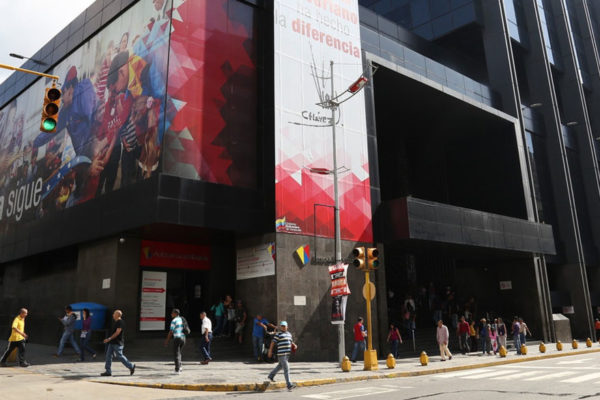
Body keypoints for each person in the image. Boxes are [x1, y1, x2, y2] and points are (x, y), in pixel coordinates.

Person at [101, 310, 135, 376]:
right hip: (112, 343)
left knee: (119, 356)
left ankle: (131, 366)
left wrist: (109, 338)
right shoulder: (116, 322)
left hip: (117, 343)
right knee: (108, 356)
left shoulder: (120, 322)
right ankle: (108, 371)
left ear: (117, 315)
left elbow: (117, 333)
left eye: (114, 314)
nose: (113, 315)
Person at [267, 321, 297, 391]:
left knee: (280, 366)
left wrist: (294, 345)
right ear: (280, 327)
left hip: (287, 354)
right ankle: (289, 385)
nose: (283, 327)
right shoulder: (278, 334)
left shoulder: (289, 334)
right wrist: (270, 351)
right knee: (286, 368)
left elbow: (291, 341)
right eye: (282, 326)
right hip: (281, 354)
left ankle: (271, 376)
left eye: (284, 326)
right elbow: (272, 342)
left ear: (287, 327)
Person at [164, 308, 186, 374]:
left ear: (176, 313)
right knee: (179, 353)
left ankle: (177, 370)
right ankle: (180, 367)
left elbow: (171, 331)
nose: (171, 314)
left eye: (172, 313)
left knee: (176, 354)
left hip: (177, 338)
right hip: (183, 338)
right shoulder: (181, 319)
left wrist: (167, 341)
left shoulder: (174, 320)